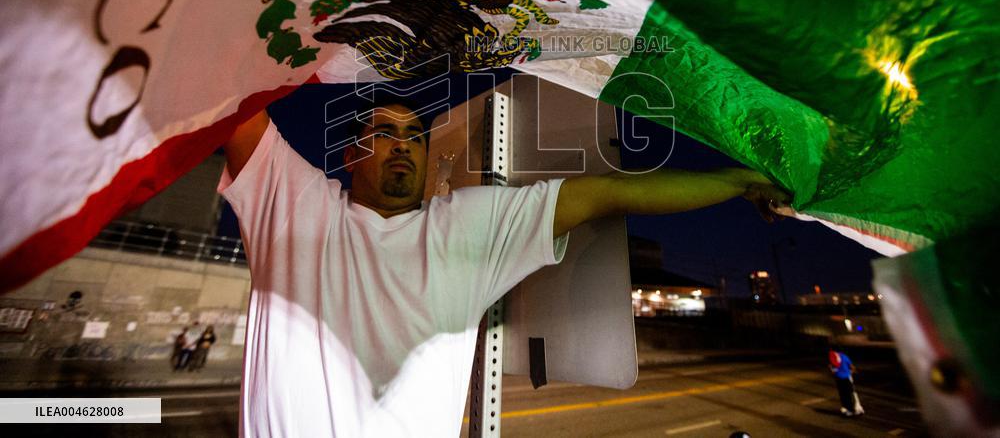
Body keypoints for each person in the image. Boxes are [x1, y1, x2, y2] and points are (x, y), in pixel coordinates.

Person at [220, 94, 790, 436]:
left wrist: (738, 183)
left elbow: (611, 193)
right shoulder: (294, 205)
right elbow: (232, 97)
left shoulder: (468, 225)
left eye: (414, 136)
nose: (402, 144)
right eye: (384, 133)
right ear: (351, 154)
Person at [829, 347, 865, 416]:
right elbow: (851, 366)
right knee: (852, 393)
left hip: (839, 379)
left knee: (843, 394)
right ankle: (857, 408)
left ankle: (847, 409)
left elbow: (832, 370)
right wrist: (853, 371)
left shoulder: (833, 358)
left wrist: (834, 371)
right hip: (847, 377)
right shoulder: (844, 357)